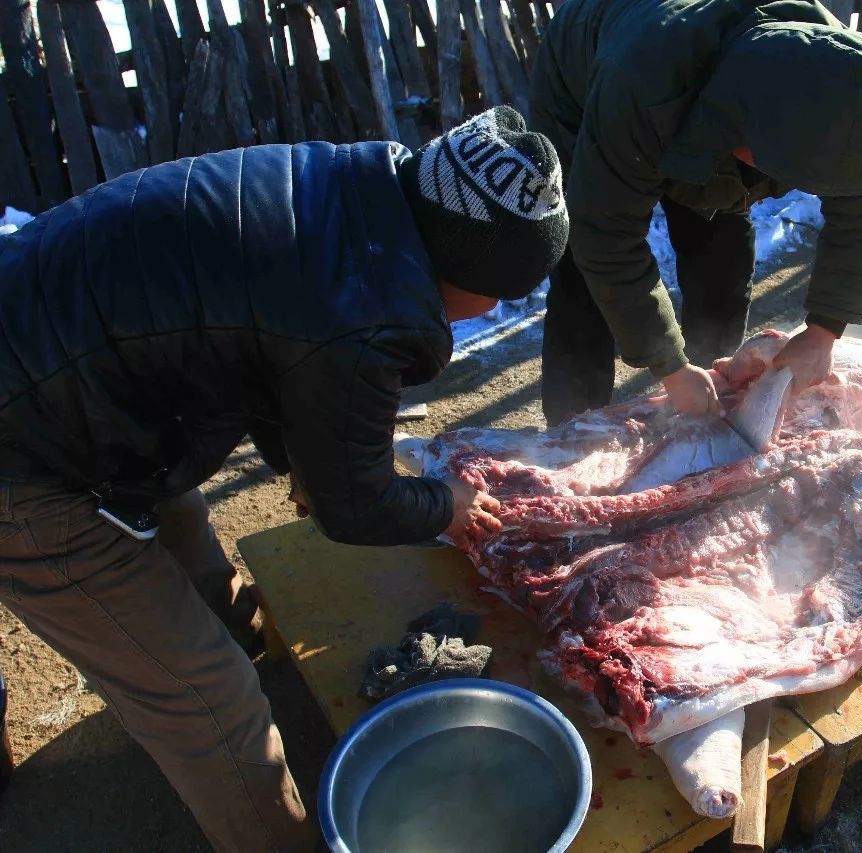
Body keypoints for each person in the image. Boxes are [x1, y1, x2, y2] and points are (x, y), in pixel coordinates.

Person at [0, 105, 567, 852]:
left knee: (185, 532)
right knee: (207, 699)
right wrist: (446, 503)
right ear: (472, 270)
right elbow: (351, 505)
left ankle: (250, 657)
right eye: (506, 290)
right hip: (25, 458)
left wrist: (296, 451)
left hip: (76, 366)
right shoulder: (364, 310)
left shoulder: (352, 187)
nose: (499, 310)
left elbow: (254, 328)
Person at [531, 0, 862, 426]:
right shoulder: (641, 84)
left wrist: (824, 330)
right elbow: (603, 234)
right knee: (582, 281)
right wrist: (669, 365)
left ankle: (715, 388)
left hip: (698, 90)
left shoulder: (852, 89)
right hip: (587, 75)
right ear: (737, 124)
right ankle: (571, 437)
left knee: (721, 253)